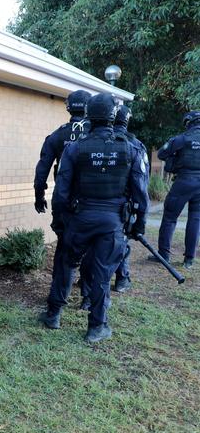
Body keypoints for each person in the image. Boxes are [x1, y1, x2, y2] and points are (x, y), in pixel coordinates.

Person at [40, 93, 149, 342]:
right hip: (111, 223)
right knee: (102, 274)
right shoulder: (130, 149)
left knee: (66, 266)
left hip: (79, 220)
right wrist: (138, 225)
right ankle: (96, 327)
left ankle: (53, 314)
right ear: (113, 117)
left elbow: (61, 192)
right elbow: (140, 194)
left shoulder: (75, 148)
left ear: (90, 115)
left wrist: (59, 221)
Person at [79, 105, 147, 307]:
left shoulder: (89, 142)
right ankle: (121, 279)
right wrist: (140, 221)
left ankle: (87, 294)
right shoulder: (134, 145)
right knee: (116, 249)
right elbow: (141, 187)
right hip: (118, 211)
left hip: (89, 210)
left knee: (92, 252)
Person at [34, 90, 91, 322]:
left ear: (69, 108)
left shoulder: (58, 136)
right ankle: (87, 298)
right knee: (90, 250)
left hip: (64, 201)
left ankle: (55, 302)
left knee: (64, 251)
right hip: (92, 203)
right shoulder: (98, 136)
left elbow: (43, 168)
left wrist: (39, 194)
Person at [152, 110, 200, 268]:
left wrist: (175, 159)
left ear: (189, 123)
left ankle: (164, 255)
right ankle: (189, 260)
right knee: (195, 219)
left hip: (184, 181)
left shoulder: (182, 138)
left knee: (170, 217)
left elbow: (161, 154)